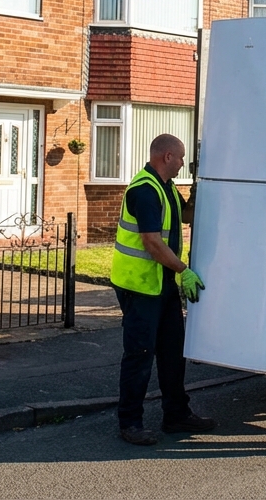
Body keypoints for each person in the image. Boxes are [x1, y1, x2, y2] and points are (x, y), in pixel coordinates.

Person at [111, 133, 216, 445]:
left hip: (161, 286)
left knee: (173, 353)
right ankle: (130, 422)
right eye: (181, 157)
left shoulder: (166, 187)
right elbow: (152, 242)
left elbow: (185, 216)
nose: (183, 163)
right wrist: (184, 271)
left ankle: (176, 415)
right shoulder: (145, 189)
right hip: (139, 287)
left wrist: (200, 195)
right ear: (167, 157)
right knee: (140, 355)